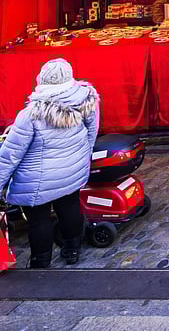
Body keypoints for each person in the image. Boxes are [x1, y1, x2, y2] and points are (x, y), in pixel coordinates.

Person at [0, 59, 99, 268]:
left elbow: (10, 155)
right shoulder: (87, 100)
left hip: (38, 180)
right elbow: (91, 133)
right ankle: (72, 251)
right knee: (70, 207)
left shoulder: (30, 114)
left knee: (39, 220)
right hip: (73, 170)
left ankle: (40, 261)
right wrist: (82, 157)